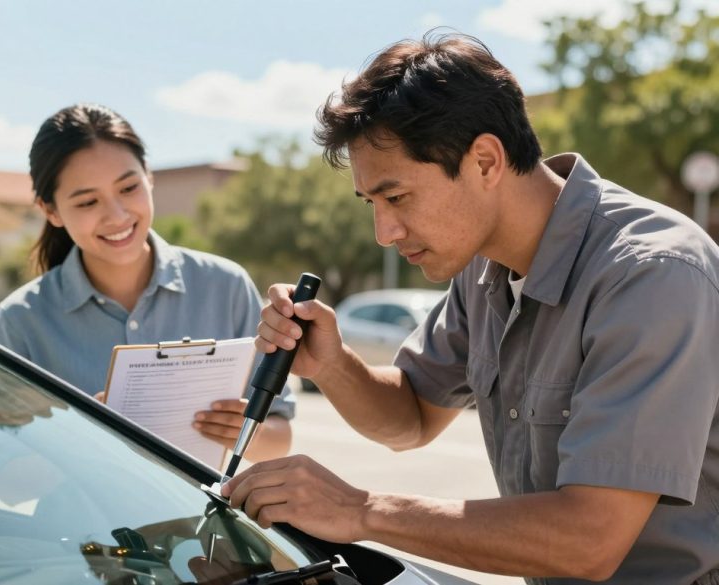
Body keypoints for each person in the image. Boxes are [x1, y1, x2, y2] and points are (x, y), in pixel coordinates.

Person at [223, 33, 719, 584]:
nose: (383, 233)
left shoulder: (651, 273)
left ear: (485, 160)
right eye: (372, 204)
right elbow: (410, 418)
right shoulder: (481, 268)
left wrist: (359, 511)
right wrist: (333, 364)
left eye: (397, 197)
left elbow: (590, 538)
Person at [0, 104, 294, 485]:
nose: (116, 215)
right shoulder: (22, 321)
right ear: (49, 210)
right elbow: (5, 481)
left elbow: (280, 434)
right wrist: (77, 438)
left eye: (128, 187)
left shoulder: (225, 286)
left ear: (149, 177)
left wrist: (247, 435)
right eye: (87, 201)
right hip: (80, 540)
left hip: (200, 537)